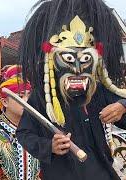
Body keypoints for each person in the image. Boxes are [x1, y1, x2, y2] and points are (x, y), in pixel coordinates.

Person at [16, 0, 126, 179]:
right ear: (53, 60)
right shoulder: (43, 97)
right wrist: (49, 146)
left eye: (84, 61)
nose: (77, 69)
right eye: (68, 58)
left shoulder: (99, 92)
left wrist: (122, 106)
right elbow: (24, 134)